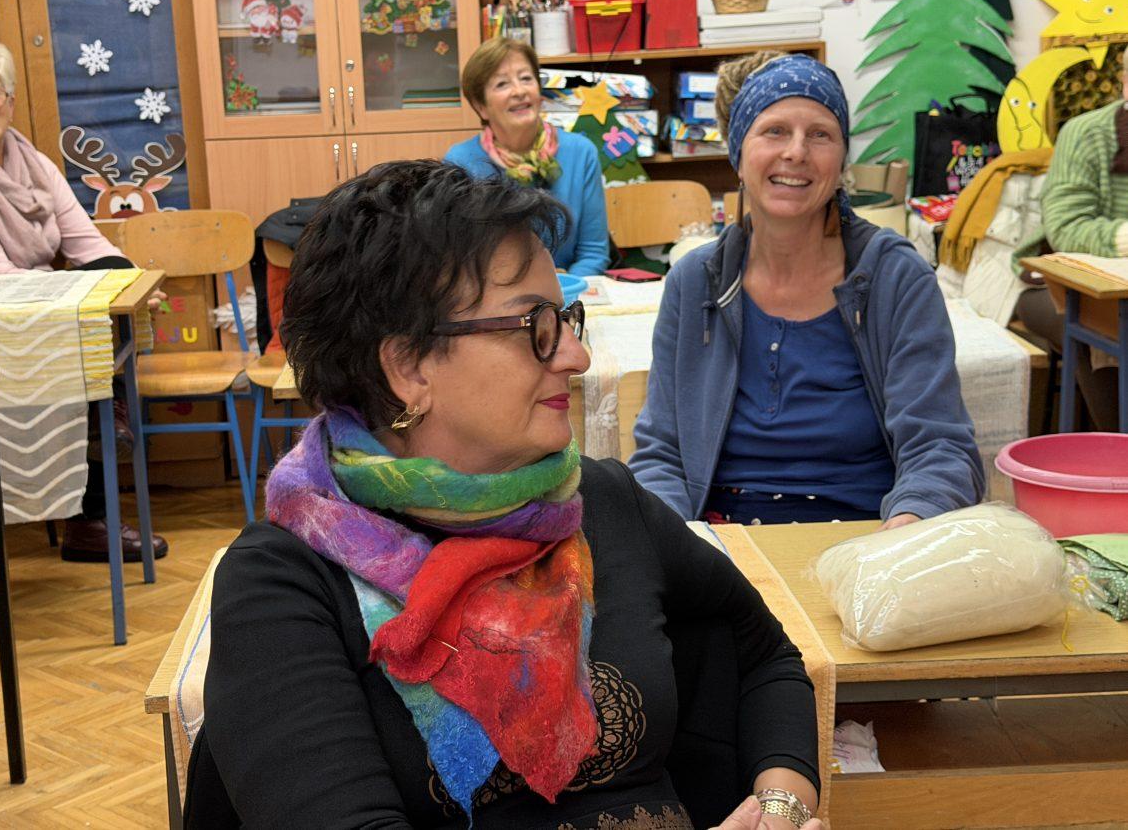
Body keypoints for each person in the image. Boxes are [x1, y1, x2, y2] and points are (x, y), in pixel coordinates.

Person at [185, 161, 822, 830]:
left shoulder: (601, 502)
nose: (575, 356)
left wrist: (779, 809)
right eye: (534, 327)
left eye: (566, 320)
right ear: (407, 367)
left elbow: (764, 657)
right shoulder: (286, 582)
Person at [631, 51, 983, 528]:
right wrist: (674, 541)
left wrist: (906, 525)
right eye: (774, 131)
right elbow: (662, 454)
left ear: (841, 162)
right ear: (738, 156)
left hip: (869, 532)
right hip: (721, 538)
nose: (796, 152)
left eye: (820, 135)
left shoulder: (895, 277)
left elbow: (940, 448)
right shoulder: (696, 281)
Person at [0, 40, 167, 563]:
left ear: (11, 101)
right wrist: (89, 301)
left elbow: (88, 244)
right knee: (87, 363)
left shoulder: (34, 163)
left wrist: (134, 289)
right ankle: (93, 500)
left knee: (112, 277)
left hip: (29, 312)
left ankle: (102, 431)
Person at [1012, 58, 1127, 431]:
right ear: (1125, 83)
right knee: (1096, 334)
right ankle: (1115, 446)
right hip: (1052, 283)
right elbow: (1067, 227)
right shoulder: (1087, 134)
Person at [445, 37, 610, 277]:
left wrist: (561, 291)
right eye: (502, 84)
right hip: (494, 294)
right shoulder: (460, 163)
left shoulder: (581, 152)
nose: (519, 91)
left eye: (526, 78)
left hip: (569, 290)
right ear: (481, 106)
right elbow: (460, 259)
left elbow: (593, 253)